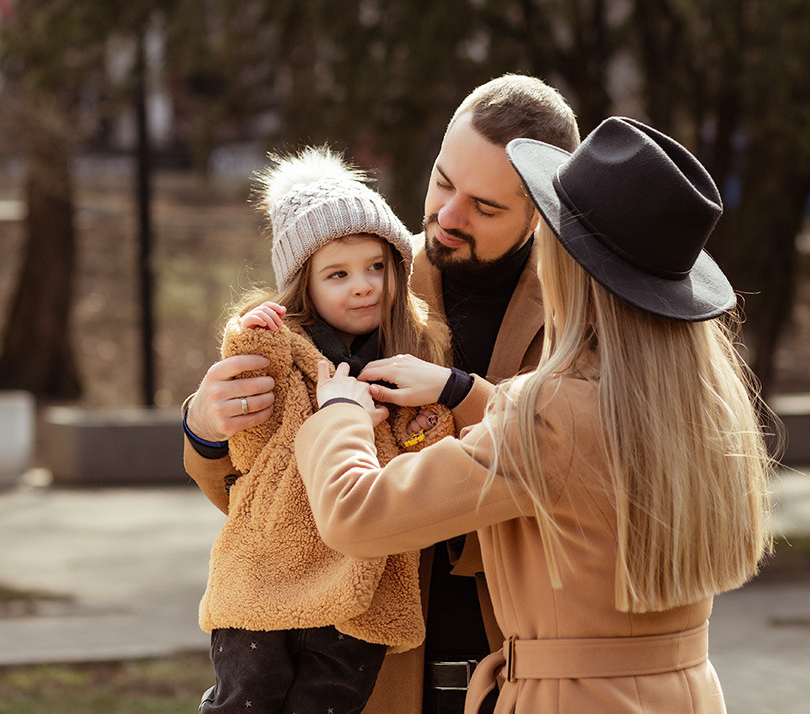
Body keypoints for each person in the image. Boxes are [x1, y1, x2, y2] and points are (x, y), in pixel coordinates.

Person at [295, 116, 775, 712]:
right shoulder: (704, 396)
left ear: (571, 267)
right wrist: (463, 393)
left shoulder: (553, 410)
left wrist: (338, 414)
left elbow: (355, 514)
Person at [183, 74, 581, 713]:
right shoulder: (366, 268)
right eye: (443, 181)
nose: (447, 217)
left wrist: (463, 395)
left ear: (541, 210)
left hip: (517, 664)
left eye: (484, 206)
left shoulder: (583, 311)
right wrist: (205, 427)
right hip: (375, 668)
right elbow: (264, 485)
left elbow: (582, 460)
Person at [193, 146, 454, 714]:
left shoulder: (412, 350)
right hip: (268, 563)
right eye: (337, 274)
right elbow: (249, 431)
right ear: (303, 285)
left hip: (360, 578)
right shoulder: (287, 351)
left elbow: (428, 450)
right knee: (248, 695)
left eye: (376, 268)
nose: (362, 286)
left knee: (329, 701)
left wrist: (427, 419)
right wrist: (252, 332)